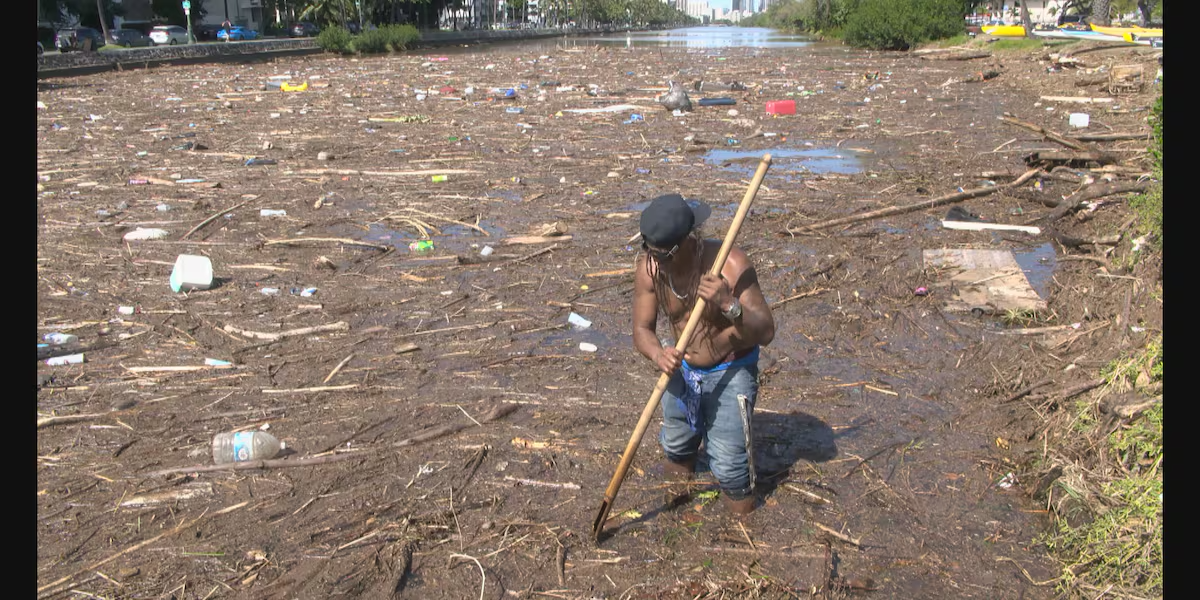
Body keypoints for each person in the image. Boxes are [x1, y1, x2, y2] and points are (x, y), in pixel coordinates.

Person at [632, 193, 776, 516]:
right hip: (680, 370)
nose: (655, 262)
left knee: (729, 467)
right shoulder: (651, 268)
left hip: (730, 369)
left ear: (685, 242)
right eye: (649, 252)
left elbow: (765, 331)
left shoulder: (730, 264)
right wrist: (659, 356)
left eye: (661, 255)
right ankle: (677, 517)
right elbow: (642, 331)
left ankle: (741, 534)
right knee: (676, 446)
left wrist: (729, 304)